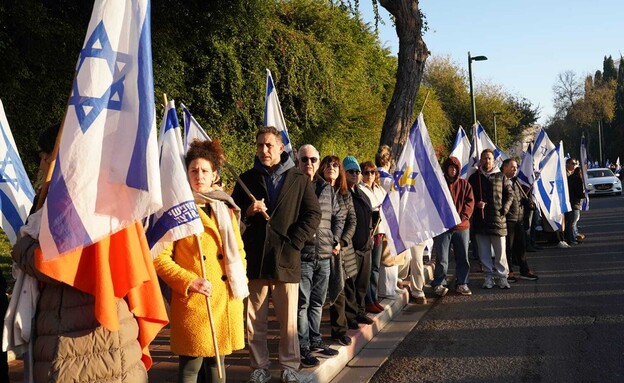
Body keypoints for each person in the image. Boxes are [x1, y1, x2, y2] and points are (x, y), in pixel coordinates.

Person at [10, 126, 148, 383]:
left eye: (44, 155)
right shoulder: (110, 194)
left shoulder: (72, 201)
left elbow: (58, 264)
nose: (41, 163)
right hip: (108, 333)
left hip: (77, 341)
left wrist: (22, 249)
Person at [231, 126, 321, 383]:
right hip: (256, 260)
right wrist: (248, 211)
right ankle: (259, 367)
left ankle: (289, 366)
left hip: (287, 260)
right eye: (260, 145)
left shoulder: (299, 179)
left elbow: (313, 214)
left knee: (288, 321)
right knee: (254, 321)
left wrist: (295, 242)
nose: (263, 150)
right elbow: (232, 217)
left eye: (269, 145)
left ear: (282, 149)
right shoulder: (246, 179)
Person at [154, 139, 248, 383]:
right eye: (194, 170)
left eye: (205, 171)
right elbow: (160, 258)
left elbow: (239, 250)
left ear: (215, 174)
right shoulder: (176, 211)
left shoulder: (226, 207)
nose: (199, 175)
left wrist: (239, 276)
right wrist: (189, 280)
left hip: (225, 299)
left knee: (218, 367)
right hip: (195, 300)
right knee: (190, 366)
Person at [296, 145, 344, 368]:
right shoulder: (293, 185)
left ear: (318, 162)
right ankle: (302, 345)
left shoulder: (326, 188)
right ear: (298, 161)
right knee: (302, 303)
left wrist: (334, 239)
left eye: (313, 159)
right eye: (304, 159)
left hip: (324, 254)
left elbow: (338, 216)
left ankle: (316, 340)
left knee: (318, 302)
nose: (309, 163)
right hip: (303, 255)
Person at [319, 155, 357, 345]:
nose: (331, 168)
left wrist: (341, 241)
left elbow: (352, 221)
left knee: (339, 290)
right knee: (316, 293)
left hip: (339, 250)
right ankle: (312, 336)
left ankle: (339, 330)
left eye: (335, 165)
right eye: (328, 165)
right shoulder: (315, 189)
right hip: (319, 248)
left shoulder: (345, 193)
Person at [468, 149, 513, 290]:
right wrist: (476, 205)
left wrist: (504, 210)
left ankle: (502, 278)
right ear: (480, 160)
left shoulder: (501, 177)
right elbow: (468, 198)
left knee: (500, 253)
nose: (487, 161)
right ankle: (488, 277)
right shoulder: (474, 178)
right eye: (484, 158)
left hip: (498, 220)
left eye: (489, 158)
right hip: (480, 221)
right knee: (484, 253)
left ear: (494, 160)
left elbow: (509, 195)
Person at [431, 156, 475, 296]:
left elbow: (470, 203)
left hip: (461, 227)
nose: (453, 170)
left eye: (456, 168)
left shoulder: (465, 185)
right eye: (451, 167)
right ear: (446, 168)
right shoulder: (439, 185)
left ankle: (462, 282)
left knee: (462, 257)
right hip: (443, 227)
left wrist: (462, 218)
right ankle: (439, 283)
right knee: (442, 257)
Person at [342, 156, 375, 327]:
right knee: (350, 284)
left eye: (357, 171)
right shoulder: (342, 193)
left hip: (365, 246)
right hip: (350, 247)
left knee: (363, 282)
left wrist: (370, 237)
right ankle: (350, 316)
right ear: (344, 173)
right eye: (350, 171)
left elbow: (369, 217)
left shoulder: (362, 194)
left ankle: (361, 311)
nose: (355, 174)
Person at [501, 159, 539, 283]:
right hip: (507, 220)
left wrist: (527, 203)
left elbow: (520, 198)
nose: (514, 169)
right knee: (508, 248)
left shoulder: (516, 182)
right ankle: (509, 271)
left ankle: (524, 270)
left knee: (521, 246)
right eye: (512, 167)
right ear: (505, 167)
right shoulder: (500, 181)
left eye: (516, 167)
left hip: (519, 219)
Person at [358, 161, 387, 314]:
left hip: (380, 231)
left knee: (375, 267)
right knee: (368, 269)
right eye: (366, 172)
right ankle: (368, 299)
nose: (370, 175)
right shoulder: (360, 189)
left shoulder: (379, 189)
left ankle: (374, 297)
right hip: (369, 232)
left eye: (372, 172)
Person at [565, 158, 584, 245]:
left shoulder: (571, 177)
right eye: (573, 163)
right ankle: (571, 239)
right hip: (573, 203)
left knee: (571, 222)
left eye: (575, 163)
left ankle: (572, 237)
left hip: (571, 202)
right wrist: (583, 195)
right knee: (572, 221)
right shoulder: (575, 179)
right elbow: (577, 192)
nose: (574, 165)